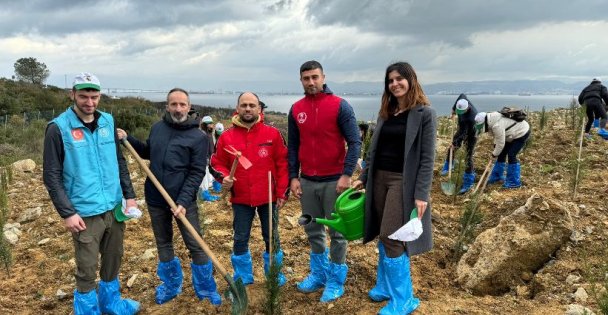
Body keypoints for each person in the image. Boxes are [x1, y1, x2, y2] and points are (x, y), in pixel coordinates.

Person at [43, 72, 140, 314]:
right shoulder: (58, 128)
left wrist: (129, 196)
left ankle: (111, 304)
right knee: (86, 267)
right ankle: (88, 310)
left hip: (114, 207)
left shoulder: (108, 121)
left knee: (113, 259)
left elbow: (119, 161)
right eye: (84, 96)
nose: (89, 102)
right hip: (84, 212)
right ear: (72, 94)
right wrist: (67, 212)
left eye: (94, 96)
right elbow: (52, 176)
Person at [117, 88, 221, 306]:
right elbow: (148, 151)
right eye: (173, 104)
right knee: (164, 243)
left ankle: (205, 288)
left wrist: (183, 201)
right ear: (167, 107)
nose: (178, 108)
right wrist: (128, 139)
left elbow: (196, 173)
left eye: (182, 104)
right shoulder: (158, 129)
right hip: (156, 198)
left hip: (183, 201)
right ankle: (171, 285)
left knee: (196, 244)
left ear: (189, 107)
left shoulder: (198, 137)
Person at [352, 61, 435, 315]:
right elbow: (374, 150)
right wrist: (364, 177)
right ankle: (385, 286)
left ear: (411, 79)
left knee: (392, 235)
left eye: (400, 78)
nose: (395, 84)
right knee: (381, 232)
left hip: (403, 182)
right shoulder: (386, 111)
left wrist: (421, 194)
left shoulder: (425, 113)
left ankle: (404, 299)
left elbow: (427, 158)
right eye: (390, 80)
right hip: (379, 178)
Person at [288, 60, 361, 302]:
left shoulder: (340, 106)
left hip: (335, 181)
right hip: (307, 180)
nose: (311, 82)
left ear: (323, 77)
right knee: (312, 229)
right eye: (306, 78)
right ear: (301, 80)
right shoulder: (296, 109)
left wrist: (347, 174)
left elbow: (355, 142)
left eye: (315, 77)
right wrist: (293, 177)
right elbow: (294, 147)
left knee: (337, 232)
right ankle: (318, 274)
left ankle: (335, 280)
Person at [210, 92, 289, 286]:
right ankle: (243, 277)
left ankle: (274, 274)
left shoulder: (272, 134)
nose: (248, 109)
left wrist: (282, 192)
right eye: (244, 105)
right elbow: (216, 163)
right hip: (241, 198)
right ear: (237, 108)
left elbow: (283, 164)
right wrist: (223, 177)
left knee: (271, 236)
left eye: (252, 105)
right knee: (240, 237)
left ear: (259, 109)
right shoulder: (226, 137)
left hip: (268, 196)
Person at [474, 111, 530, 188]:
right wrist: (495, 149)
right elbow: (497, 137)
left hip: (521, 132)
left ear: (484, 123)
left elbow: (501, 143)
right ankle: (497, 177)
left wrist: (494, 154)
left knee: (511, 155)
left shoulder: (496, 125)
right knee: (501, 154)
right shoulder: (491, 120)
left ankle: (513, 182)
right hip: (510, 134)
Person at [440, 94, 478, 194]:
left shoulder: (470, 118)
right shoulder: (462, 101)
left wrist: (455, 143)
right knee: (451, 149)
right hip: (462, 129)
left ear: (467, 108)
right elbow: (462, 95)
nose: (459, 113)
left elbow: (463, 134)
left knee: (468, 156)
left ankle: (469, 180)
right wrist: (453, 110)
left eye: (461, 112)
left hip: (472, 134)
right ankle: (449, 165)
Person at [199, 115, 220, 201]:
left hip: (209, 159)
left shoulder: (210, 134)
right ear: (205, 125)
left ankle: (209, 190)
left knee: (209, 176)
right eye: (210, 124)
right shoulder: (203, 135)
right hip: (204, 160)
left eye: (212, 124)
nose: (212, 125)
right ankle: (204, 195)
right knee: (204, 178)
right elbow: (202, 149)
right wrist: (206, 158)